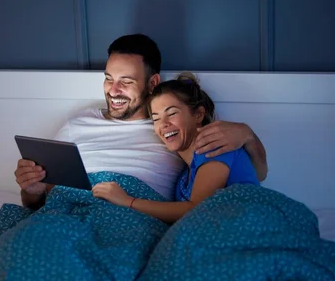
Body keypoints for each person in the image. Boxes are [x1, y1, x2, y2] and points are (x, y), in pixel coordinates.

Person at [15, 35, 267, 209]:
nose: (113, 91)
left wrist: (248, 136)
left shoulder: (172, 131)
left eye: (126, 82)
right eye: (108, 78)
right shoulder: (76, 124)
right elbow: (38, 202)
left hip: (129, 217)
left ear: (152, 83)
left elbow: (251, 176)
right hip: (64, 215)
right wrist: (32, 190)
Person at [92, 73, 260, 222]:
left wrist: (127, 201)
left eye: (171, 114)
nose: (163, 125)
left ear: (198, 115)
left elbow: (195, 209)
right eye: (156, 119)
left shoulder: (214, 146)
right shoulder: (183, 177)